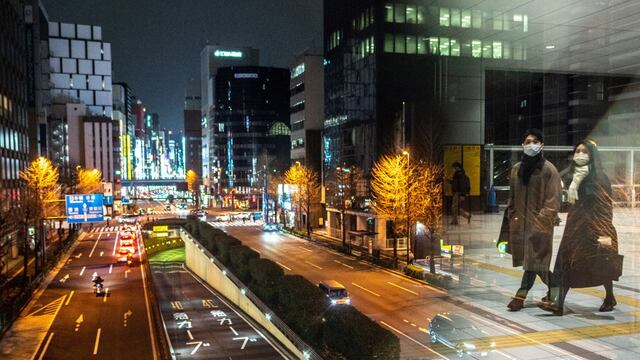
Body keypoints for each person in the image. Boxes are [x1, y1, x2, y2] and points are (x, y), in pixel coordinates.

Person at [539, 140, 620, 315]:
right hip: (575, 229)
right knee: (566, 263)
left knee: (601, 264)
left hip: (595, 230)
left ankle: (609, 297)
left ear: (592, 156)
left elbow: (605, 207)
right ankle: (558, 303)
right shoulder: (574, 176)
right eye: (577, 151)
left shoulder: (600, 177)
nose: (580, 154)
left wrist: (602, 232)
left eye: (585, 152)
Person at [505, 129, 562, 311]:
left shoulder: (549, 170)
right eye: (528, 141)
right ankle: (556, 290)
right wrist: (511, 217)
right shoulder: (516, 170)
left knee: (534, 264)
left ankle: (520, 296)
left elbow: (552, 202)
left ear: (542, 145)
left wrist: (540, 225)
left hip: (540, 228)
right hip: (520, 227)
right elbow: (512, 198)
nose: (531, 144)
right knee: (535, 264)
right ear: (523, 145)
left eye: (535, 141)